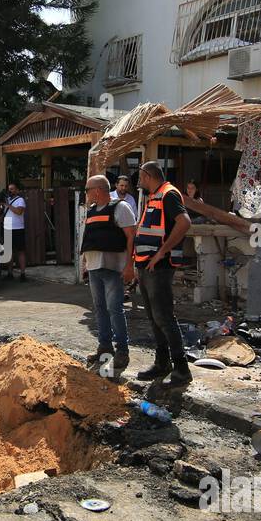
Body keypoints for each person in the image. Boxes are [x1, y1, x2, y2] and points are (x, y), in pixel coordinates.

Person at [133, 162, 194, 386]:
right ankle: (162, 363)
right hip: (147, 266)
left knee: (164, 317)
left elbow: (184, 222)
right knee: (154, 317)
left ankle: (181, 369)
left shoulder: (168, 194)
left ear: (148, 176)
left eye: (140, 176)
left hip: (160, 267)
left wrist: (162, 252)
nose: (138, 181)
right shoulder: (154, 197)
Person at [81, 174, 137, 376]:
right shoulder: (91, 211)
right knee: (100, 308)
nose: (86, 194)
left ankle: (122, 351)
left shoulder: (120, 208)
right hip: (95, 267)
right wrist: (85, 263)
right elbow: (90, 238)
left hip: (114, 268)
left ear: (97, 190)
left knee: (115, 309)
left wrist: (130, 266)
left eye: (87, 190)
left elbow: (131, 236)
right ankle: (104, 347)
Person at [0, 182, 28, 281]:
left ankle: (23, 274)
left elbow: (19, 212)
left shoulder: (20, 200)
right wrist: (0, 203)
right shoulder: (6, 200)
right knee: (9, 252)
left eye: (12, 189)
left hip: (18, 229)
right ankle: (10, 273)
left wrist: (7, 205)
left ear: (17, 190)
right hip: (7, 228)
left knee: (20, 251)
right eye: (9, 189)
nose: (10, 191)